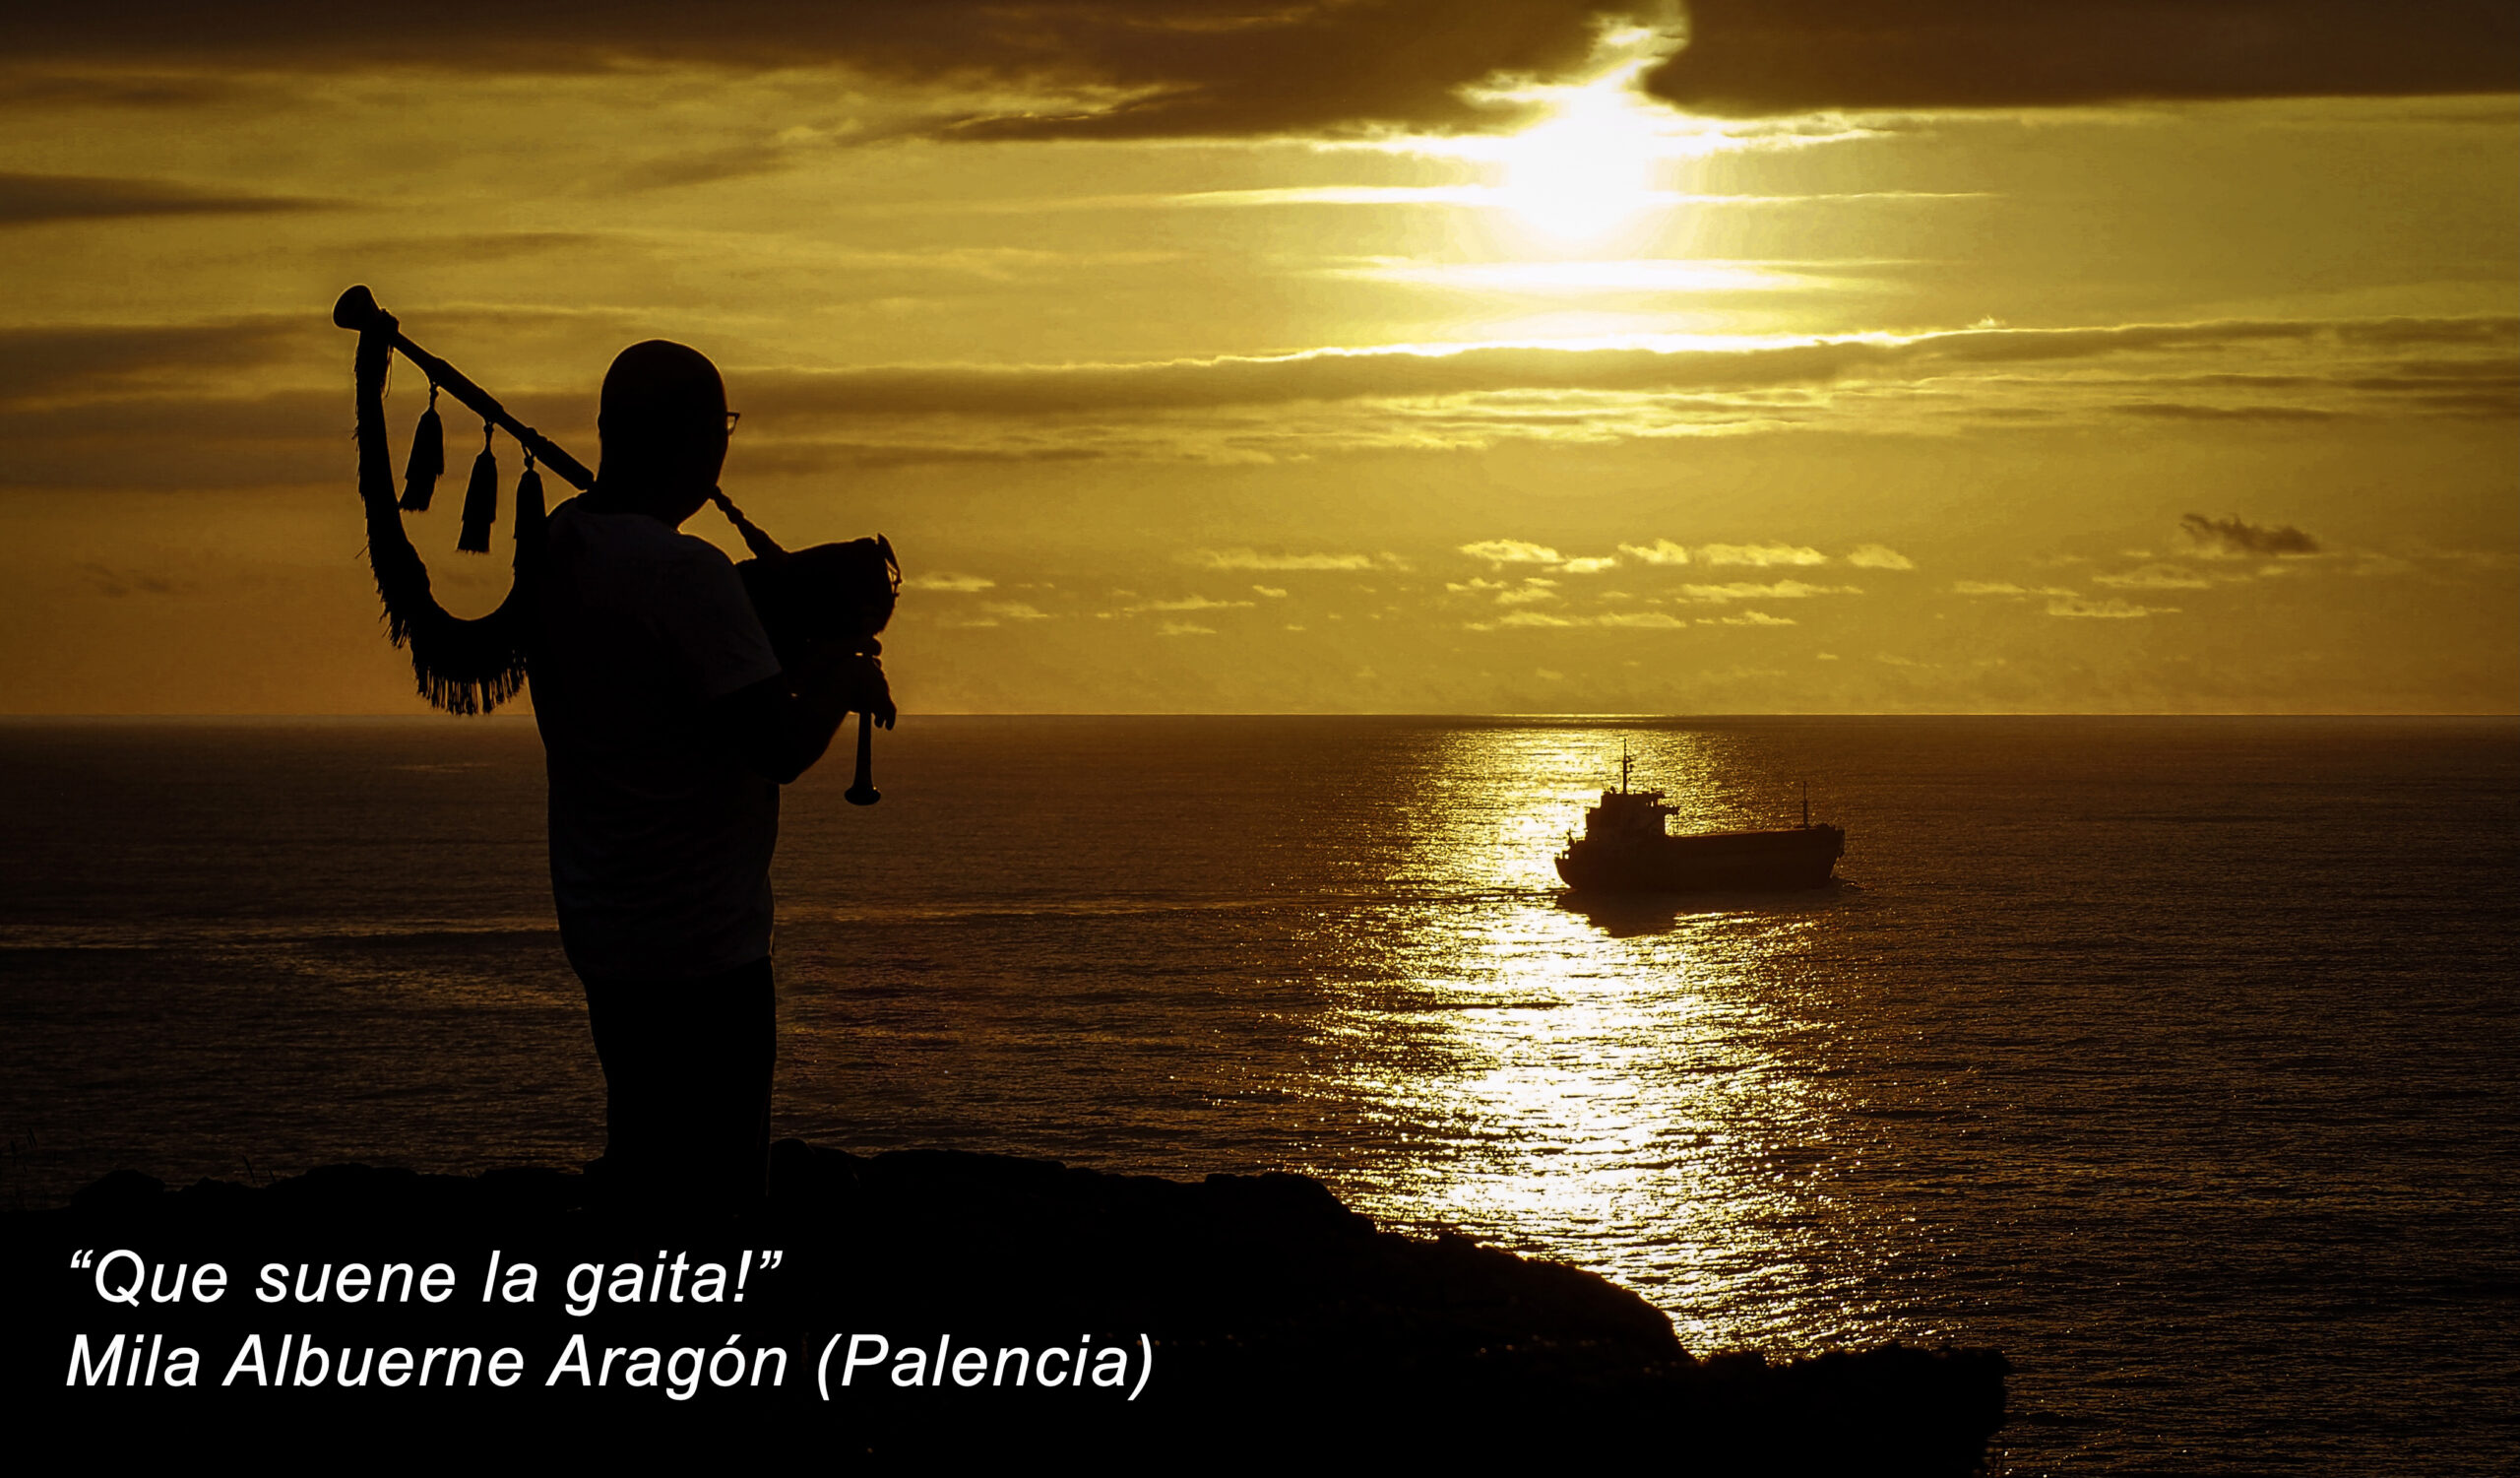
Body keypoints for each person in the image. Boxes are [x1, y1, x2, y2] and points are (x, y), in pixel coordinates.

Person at [529, 340, 892, 1214]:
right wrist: (841, 677)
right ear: (696, 439)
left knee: (646, 1165)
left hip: (607, 926)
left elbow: (680, 699)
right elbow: (775, 744)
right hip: (702, 947)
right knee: (718, 1200)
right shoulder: (685, 574)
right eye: (719, 424)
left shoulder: (559, 547)